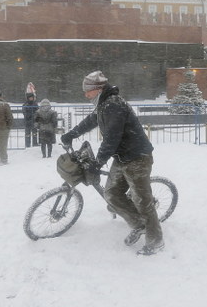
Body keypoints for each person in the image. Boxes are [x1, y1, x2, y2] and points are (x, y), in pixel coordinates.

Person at [60, 71, 164, 256]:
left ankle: (156, 241)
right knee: (111, 194)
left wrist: (98, 162)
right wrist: (71, 134)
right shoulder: (103, 105)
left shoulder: (114, 105)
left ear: (98, 89)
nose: (86, 95)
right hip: (122, 158)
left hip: (137, 158)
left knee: (143, 201)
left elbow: (112, 138)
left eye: (88, 91)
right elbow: (91, 121)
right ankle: (139, 224)